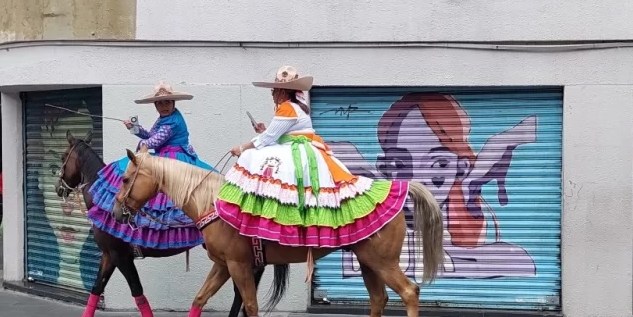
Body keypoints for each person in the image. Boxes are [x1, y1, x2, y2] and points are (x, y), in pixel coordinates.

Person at [215, 65, 409, 252]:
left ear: (282, 92)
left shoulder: (287, 108)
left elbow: (267, 139)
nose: (272, 94)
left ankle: (281, 224)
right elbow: (282, 134)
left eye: (274, 90)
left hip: (300, 153)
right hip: (306, 149)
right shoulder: (297, 107)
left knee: (255, 159)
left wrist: (241, 148)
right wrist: (265, 131)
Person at [86, 81, 217, 251]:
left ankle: (168, 229)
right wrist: (134, 128)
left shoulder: (173, 121)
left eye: (167, 102)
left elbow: (155, 141)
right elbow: (151, 135)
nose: (164, 106)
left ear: (173, 103)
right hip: (163, 156)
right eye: (160, 103)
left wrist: (141, 145)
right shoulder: (164, 118)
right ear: (155, 105)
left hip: (176, 160)